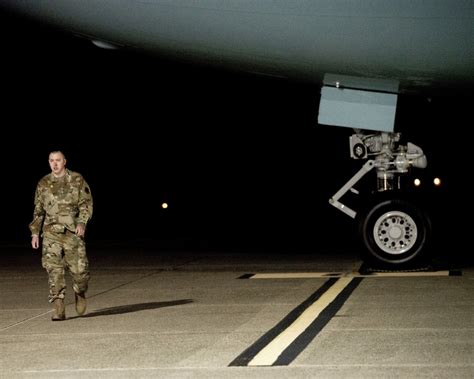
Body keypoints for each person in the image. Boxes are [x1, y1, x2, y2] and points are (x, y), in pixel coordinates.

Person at [29, 151, 93, 321]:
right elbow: (38, 210)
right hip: (51, 234)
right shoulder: (43, 183)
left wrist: (82, 222)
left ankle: (80, 292)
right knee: (54, 271)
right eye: (51, 161)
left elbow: (86, 203)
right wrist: (35, 233)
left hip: (72, 232)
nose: (55, 164)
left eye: (58, 160)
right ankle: (58, 306)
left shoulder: (77, 179)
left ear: (64, 161)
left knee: (80, 273)